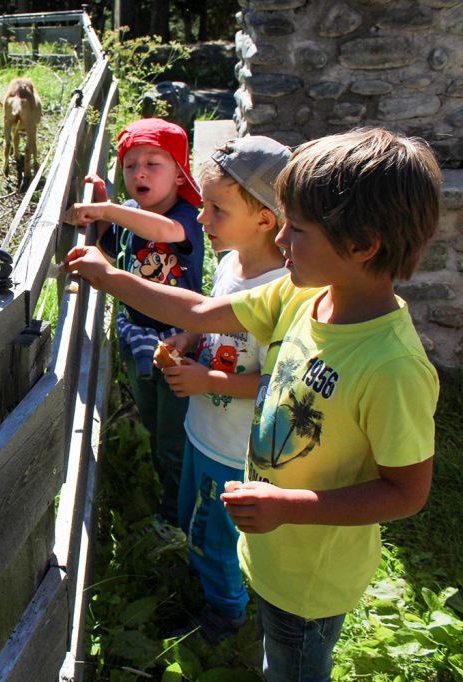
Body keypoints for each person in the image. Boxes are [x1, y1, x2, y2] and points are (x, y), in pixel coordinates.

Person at [62, 127, 440, 681]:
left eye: (299, 228)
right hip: (270, 550)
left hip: (310, 577)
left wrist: (289, 506)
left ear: (362, 245)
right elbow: (199, 314)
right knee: (274, 649)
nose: (282, 239)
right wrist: (113, 277)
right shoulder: (302, 294)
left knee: (294, 664)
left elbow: (407, 491)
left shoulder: (392, 366)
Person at [160, 136, 291, 642]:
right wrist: (188, 337)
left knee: (214, 539)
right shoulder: (231, 262)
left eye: (216, 208)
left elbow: (282, 380)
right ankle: (218, 588)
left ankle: (227, 615)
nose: (202, 217)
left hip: (235, 448)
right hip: (204, 428)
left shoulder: (284, 290)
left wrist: (206, 379)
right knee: (195, 517)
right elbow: (214, 319)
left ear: (265, 217)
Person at [65, 117, 204, 533]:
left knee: (174, 436)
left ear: (180, 173)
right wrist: (109, 210)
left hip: (180, 340)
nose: (139, 172)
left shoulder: (187, 217)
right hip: (138, 335)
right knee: (152, 416)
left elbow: (164, 231)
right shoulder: (132, 213)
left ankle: (180, 516)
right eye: (130, 165)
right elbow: (115, 245)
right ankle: (170, 494)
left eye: (153, 163)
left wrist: (111, 209)